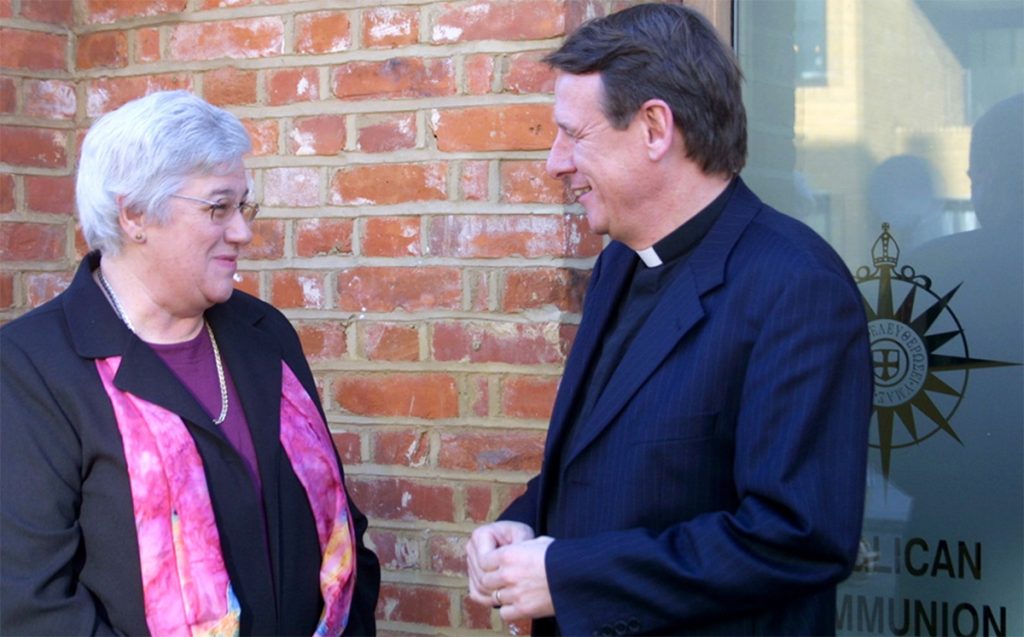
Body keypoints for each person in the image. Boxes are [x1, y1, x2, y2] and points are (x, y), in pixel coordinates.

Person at [465, 4, 872, 636]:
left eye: (574, 134)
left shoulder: (796, 285)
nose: (555, 162)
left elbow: (797, 537)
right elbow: (610, 464)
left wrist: (570, 576)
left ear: (655, 127)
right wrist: (525, 520)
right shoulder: (617, 268)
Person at [0, 91, 380, 635]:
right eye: (218, 207)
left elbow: (338, 520)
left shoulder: (263, 334)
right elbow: (31, 605)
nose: (242, 232)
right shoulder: (31, 369)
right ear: (134, 214)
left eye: (242, 207)